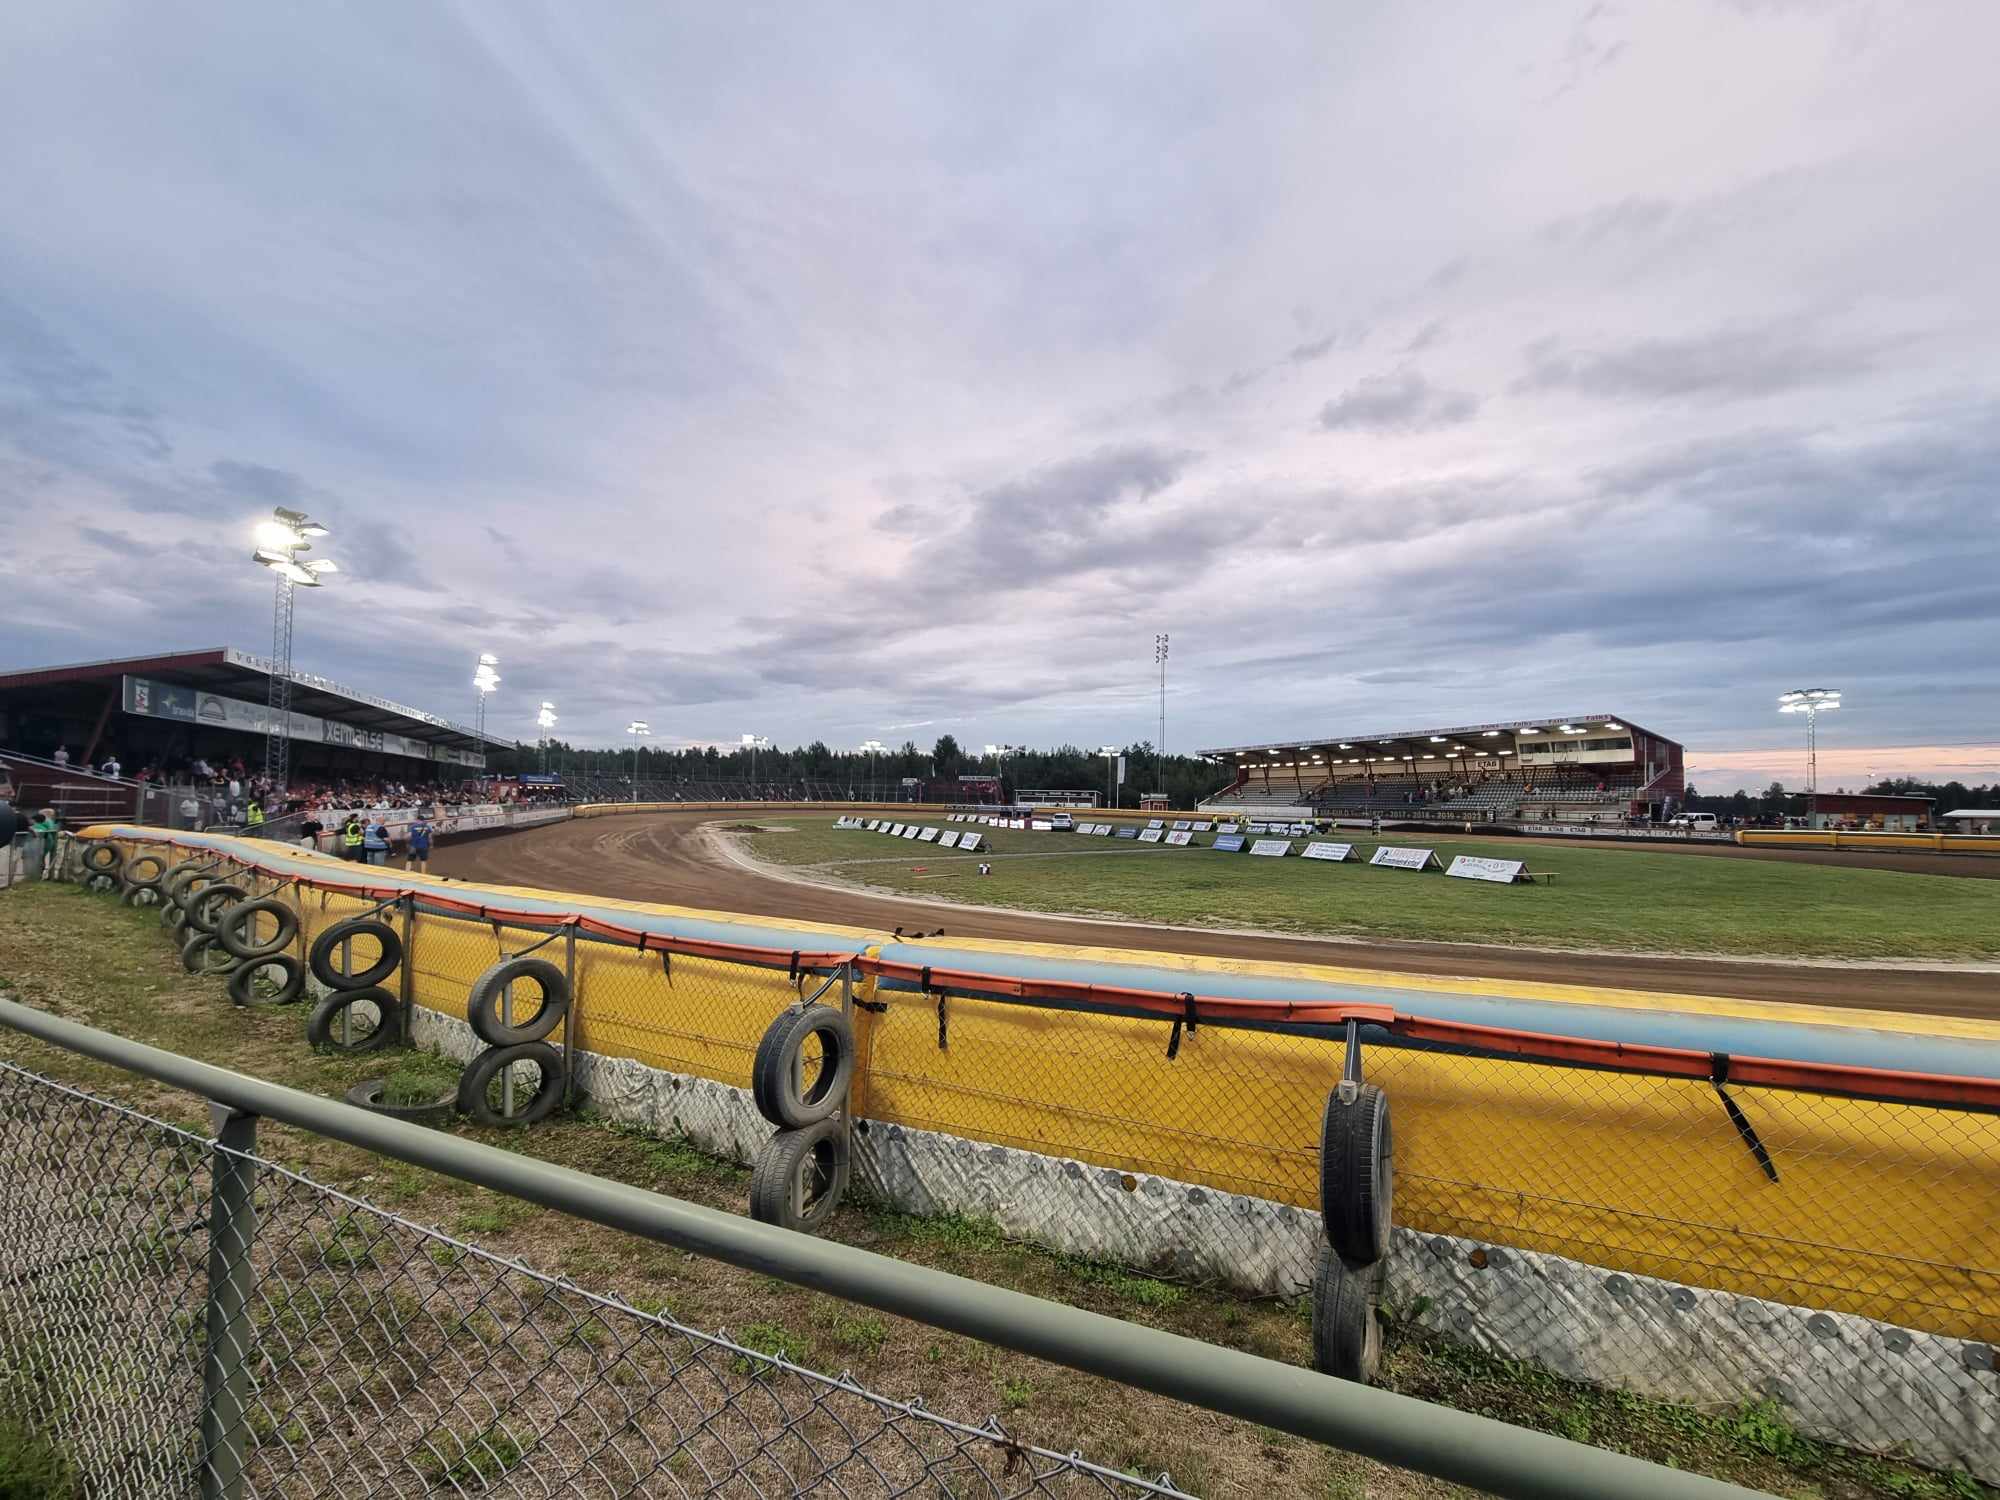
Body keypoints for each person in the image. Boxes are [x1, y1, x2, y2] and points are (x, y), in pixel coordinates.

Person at [31, 808, 61, 879]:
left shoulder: (47, 821)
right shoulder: (50, 821)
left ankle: (38, 874)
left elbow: (50, 830)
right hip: (47, 840)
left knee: (39, 857)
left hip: (44, 840)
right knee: (41, 857)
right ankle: (39, 873)